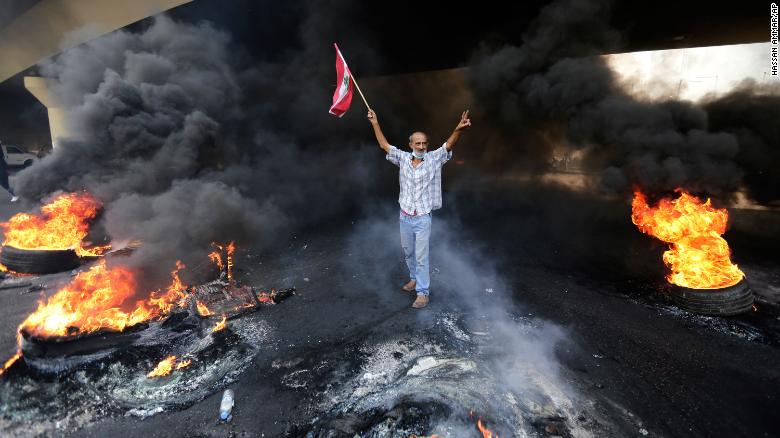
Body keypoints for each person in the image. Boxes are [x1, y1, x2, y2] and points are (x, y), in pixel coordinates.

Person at [367, 108, 471, 308]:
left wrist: (458, 129)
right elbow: (384, 145)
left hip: (422, 217)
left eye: (424, 143)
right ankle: (414, 278)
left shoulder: (433, 159)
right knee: (408, 252)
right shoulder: (402, 158)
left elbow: (448, 145)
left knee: (421, 256)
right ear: (411, 145)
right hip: (405, 215)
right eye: (418, 143)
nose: (421, 146)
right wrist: (375, 123)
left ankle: (423, 292)